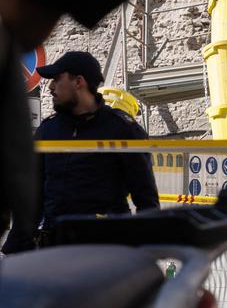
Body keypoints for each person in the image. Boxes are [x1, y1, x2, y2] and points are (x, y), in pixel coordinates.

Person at [1, 51, 159, 253]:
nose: (51, 87)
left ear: (79, 82)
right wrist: (16, 246)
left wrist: (147, 250)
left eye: (57, 79)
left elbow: (146, 199)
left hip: (106, 249)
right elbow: (33, 197)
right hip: (56, 248)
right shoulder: (48, 130)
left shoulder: (122, 129)